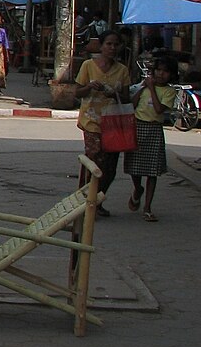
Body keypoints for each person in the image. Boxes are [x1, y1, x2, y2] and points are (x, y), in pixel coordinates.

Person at [72, 30, 131, 217]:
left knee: (110, 167)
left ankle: (97, 199)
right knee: (94, 161)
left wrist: (113, 93)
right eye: (109, 44)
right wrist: (89, 86)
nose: (112, 48)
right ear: (101, 46)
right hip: (91, 121)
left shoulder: (122, 70)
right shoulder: (88, 66)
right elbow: (77, 92)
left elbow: (127, 97)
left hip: (113, 123)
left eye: (116, 45)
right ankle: (83, 202)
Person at [126, 56, 176, 222]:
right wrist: (143, 87)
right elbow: (132, 104)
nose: (161, 74)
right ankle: (137, 188)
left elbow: (159, 109)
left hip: (154, 129)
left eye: (165, 71)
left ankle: (147, 207)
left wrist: (152, 89)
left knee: (152, 171)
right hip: (138, 127)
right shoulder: (145, 87)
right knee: (134, 166)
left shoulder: (169, 91)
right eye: (158, 70)